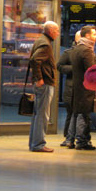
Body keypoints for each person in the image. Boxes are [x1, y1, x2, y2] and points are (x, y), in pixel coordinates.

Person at [28, 20, 60, 153]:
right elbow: (35, 60)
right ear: (51, 31)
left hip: (43, 83)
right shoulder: (46, 44)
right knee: (42, 114)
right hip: (45, 83)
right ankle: (38, 144)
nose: (58, 33)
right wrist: (39, 78)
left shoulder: (41, 40)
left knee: (38, 114)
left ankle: (34, 143)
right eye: (56, 31)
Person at [68, 25, 96, 150]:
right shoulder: (87, 50)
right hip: (86, 88)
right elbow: (91, 71)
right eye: (94, 34)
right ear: (87, 35)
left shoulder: (77, 48)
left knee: (77, 113)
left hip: (77, 87)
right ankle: (81, 141)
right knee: (84, 114)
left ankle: (71, 139)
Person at [56, 30, 80, 147]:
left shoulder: (89, 52)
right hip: (71, 88)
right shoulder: (68, 53)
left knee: (78, 114)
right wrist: (74, 68)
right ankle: (68, 138)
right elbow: (59, 66)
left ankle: (77, 138)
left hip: (81, 88)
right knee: (71, 113)